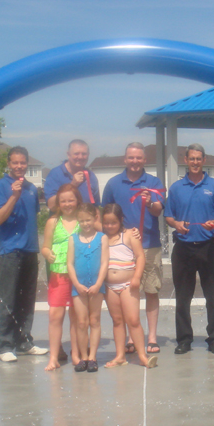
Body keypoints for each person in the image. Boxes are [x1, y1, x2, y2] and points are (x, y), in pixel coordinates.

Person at [164, 144, 214, 354]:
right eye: (191, 158)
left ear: (204, 160)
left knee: (213, 297)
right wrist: (176, 225)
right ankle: (184, 339)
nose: (195, 162)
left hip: (208, 248)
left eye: (198, 159)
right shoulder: (176, 188)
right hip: (183, 249)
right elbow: (168, 215)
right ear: (186, 160)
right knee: (183, 298)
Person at [101, 142, 165, 354]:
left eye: (139, 158)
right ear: (125, 159)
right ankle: (131, 335)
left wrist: (149, 203)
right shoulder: (113, 184)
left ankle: (152, 337)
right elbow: (107, 216)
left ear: (144, 160)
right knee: (129, 292)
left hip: (149, 245)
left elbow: (157, 211)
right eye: (131, 158)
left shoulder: (153, 182)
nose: (135, 161)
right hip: (122, 248)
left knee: (151, 290)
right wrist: (125, 234)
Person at [0, 146, 48, 362]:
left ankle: (23, 342)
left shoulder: (32, 188)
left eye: (23, 163)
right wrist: (14, 196)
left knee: (27, 299)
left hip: (30, 250)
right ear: (8, 163)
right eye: (15, 163)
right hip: (10, 251)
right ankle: (4, 345)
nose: (19, 166)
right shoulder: (0, 187)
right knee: (7, 299)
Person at [101, 204, 158, 369]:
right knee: (117, 320)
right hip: (109, 286)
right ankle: (120, 355)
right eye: (106, 223)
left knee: (133, 320)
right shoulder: (102, 237)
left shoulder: (129, 235)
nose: (109, 226)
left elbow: (140, 257)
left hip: (128, 285)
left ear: (121, 221)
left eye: (113, 222)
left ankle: (142, 355)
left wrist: (137, 277)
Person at [41, 184, 81, 371]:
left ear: (77, 200)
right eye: (63, 201)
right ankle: (54, 357)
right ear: (58, 203)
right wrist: (47, 253)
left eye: (71, 200)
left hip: (79, 274)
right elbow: (45, 246)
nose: (67, 204)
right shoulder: (53, 222)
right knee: (55, 315)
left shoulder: (84, 219)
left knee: (76, 316)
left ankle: (75, 353)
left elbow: (106, 230)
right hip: (59, 274)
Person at [66, 203, 108, 372]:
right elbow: (69, 263)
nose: (85, 224)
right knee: (81, 322)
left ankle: (93, 357)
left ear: (95, 218)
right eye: (82, 221)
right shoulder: (73, 239)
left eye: (88, 220)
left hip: (97, 286)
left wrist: (98, 283)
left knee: (94, 320)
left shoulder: (102, 237)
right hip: (79, 287)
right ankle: (83, 356)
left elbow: (105, 262)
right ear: (78, 221)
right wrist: (76, 283)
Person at [44, 139, 100, 211]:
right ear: (68, 154)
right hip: (63, 221)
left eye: (84, 154)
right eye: (76, 153)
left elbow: (96, 207)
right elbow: (51, 205)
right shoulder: (55, 174)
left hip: (85, 222)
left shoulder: (91, 177)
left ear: (88, 155)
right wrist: (72, 185)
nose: (80, 157)